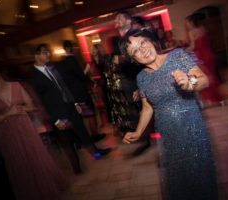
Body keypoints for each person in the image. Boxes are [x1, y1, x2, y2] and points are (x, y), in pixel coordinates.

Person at [120, 29, 218, 200]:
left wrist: (189, 83)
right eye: (135, 51)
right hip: (168, 134)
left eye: (142, 42)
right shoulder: (142, 78)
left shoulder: (177, 56)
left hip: (193, 130)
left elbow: (204, 79)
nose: (142, 50)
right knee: (179, 180)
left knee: (199, 176)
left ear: (150, 41)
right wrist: (138, 131)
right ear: (133, 59)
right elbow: (147, 107)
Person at [0, 62, 68, 200]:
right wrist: (6, 114)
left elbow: (31, 106)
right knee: (19, 167)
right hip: (6, 137)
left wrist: (20, 109)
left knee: (35, 159)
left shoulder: (16, 86)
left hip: (25, 130)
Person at [26, 44, 111, 170]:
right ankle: (76, 168)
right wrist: (55, 120)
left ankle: (96, 153)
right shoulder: (33, 77)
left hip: (70, 107)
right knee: (67, 143)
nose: (49, 54)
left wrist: (75, 103)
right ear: (36, 55)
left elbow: (64, 88)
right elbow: (40, 102)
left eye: (49, 51)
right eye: (45, 52)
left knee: (83, 132)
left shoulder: (53, 68)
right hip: (58, 114)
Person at [113, 11, 153, 155]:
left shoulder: (136, 35)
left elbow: (142, 59)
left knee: (149, 104)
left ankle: (152, 135)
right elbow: (118, 61)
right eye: (116, 18)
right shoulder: (118, 40)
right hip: (129, 79)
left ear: (129, 21)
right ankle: (145, 137)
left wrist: (140, 85)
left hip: (140, 77)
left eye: (120, 17)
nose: (116, 19)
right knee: (138, 107)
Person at [57, 40, 107, 140]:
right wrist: (90, 81)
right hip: (80, 91)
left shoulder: (61, 63)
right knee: (90, 113)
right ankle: (94, 135)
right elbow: (81, 75)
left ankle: (88, 136)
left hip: (72, 93)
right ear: (70, 48)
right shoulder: (73, 59)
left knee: (83, 115)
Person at [185, 13, 224, 107]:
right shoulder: (203, 28)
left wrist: (184, 50)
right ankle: (219, 99)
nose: (186, 25)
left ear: (191, 22)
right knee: (211, 76)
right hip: (210, 54)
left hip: (201, 56)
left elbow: (193, 46)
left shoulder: (192, 32)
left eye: (187, 23)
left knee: (204, 77)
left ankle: (210, 100)